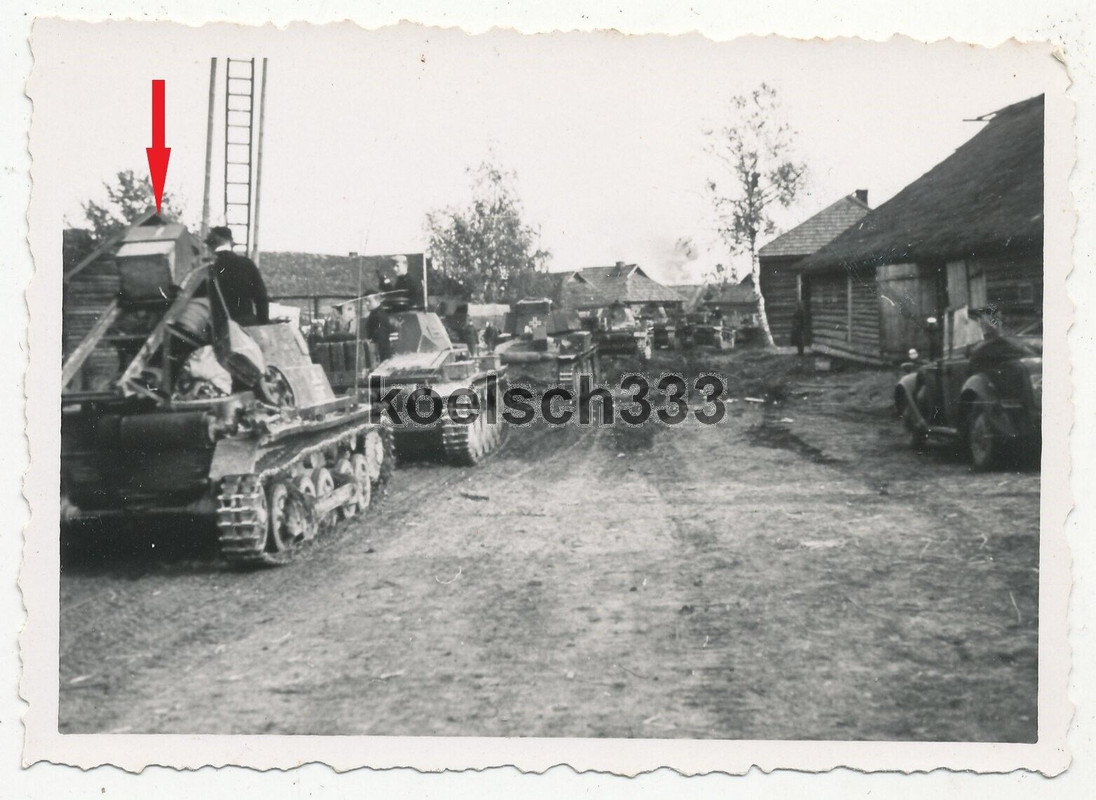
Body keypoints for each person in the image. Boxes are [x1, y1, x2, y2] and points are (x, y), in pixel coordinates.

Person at [204, 226, 270, 325]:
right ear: (230, 242)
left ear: (210, 246)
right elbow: (261, 297)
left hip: (219, 329)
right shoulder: (247, 264)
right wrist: (263, 323)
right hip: (246, 327)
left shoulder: (207, 268)